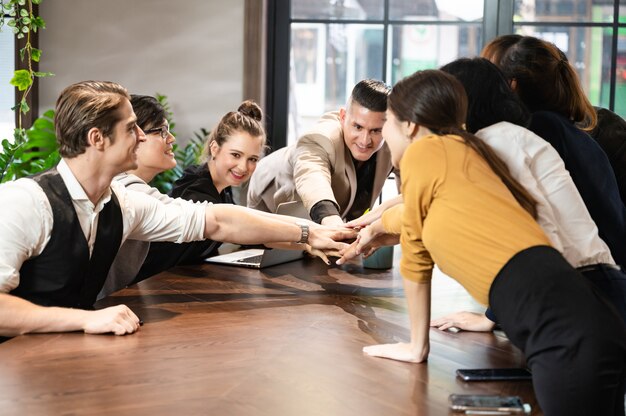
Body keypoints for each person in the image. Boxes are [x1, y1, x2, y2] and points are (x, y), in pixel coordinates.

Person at [339, 70, 626, 415]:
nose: (380, 135)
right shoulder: (469, 153)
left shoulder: (425, 154)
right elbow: (425, 219)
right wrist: (380, 225)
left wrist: (417, 346)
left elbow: (415, 255)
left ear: (410, 126)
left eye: (386, 123)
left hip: (564, 332)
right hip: (591, 316)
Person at [0, 80, 353, 338]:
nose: (142, 136)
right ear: (97, 139)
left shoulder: (122, 204)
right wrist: (83, 320)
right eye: (131, 128)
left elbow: (215, 220)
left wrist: (310, 232)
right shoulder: (26, 202)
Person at [430, 57, 626, 331]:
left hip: (584, 292)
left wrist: (491, 317)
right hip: (587, 287)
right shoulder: (501, 138)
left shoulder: (497, 143)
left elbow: (532, 230)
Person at [484, 35, 626, 268]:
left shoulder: (539, 132)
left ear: (512, 86)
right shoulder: (572, 133)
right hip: (610, 271)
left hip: (592, 277)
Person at [130, 99, 270, 284]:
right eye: (235, 155)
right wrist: (306, 233)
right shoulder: (196, 192)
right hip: (154, 288)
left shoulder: (221, 189)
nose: (244, 167)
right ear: (215, 148)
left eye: (253, 159)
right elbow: (228, 224)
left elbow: (246, 232)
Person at [247, 79, 395, 226]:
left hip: (328, 210)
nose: (365, 140)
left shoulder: (394, 141)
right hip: (272, 194)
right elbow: (312, 175)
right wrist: (331, 220)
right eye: (358, 127)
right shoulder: (322, 137)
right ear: (343, 117)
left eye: (376, 131)